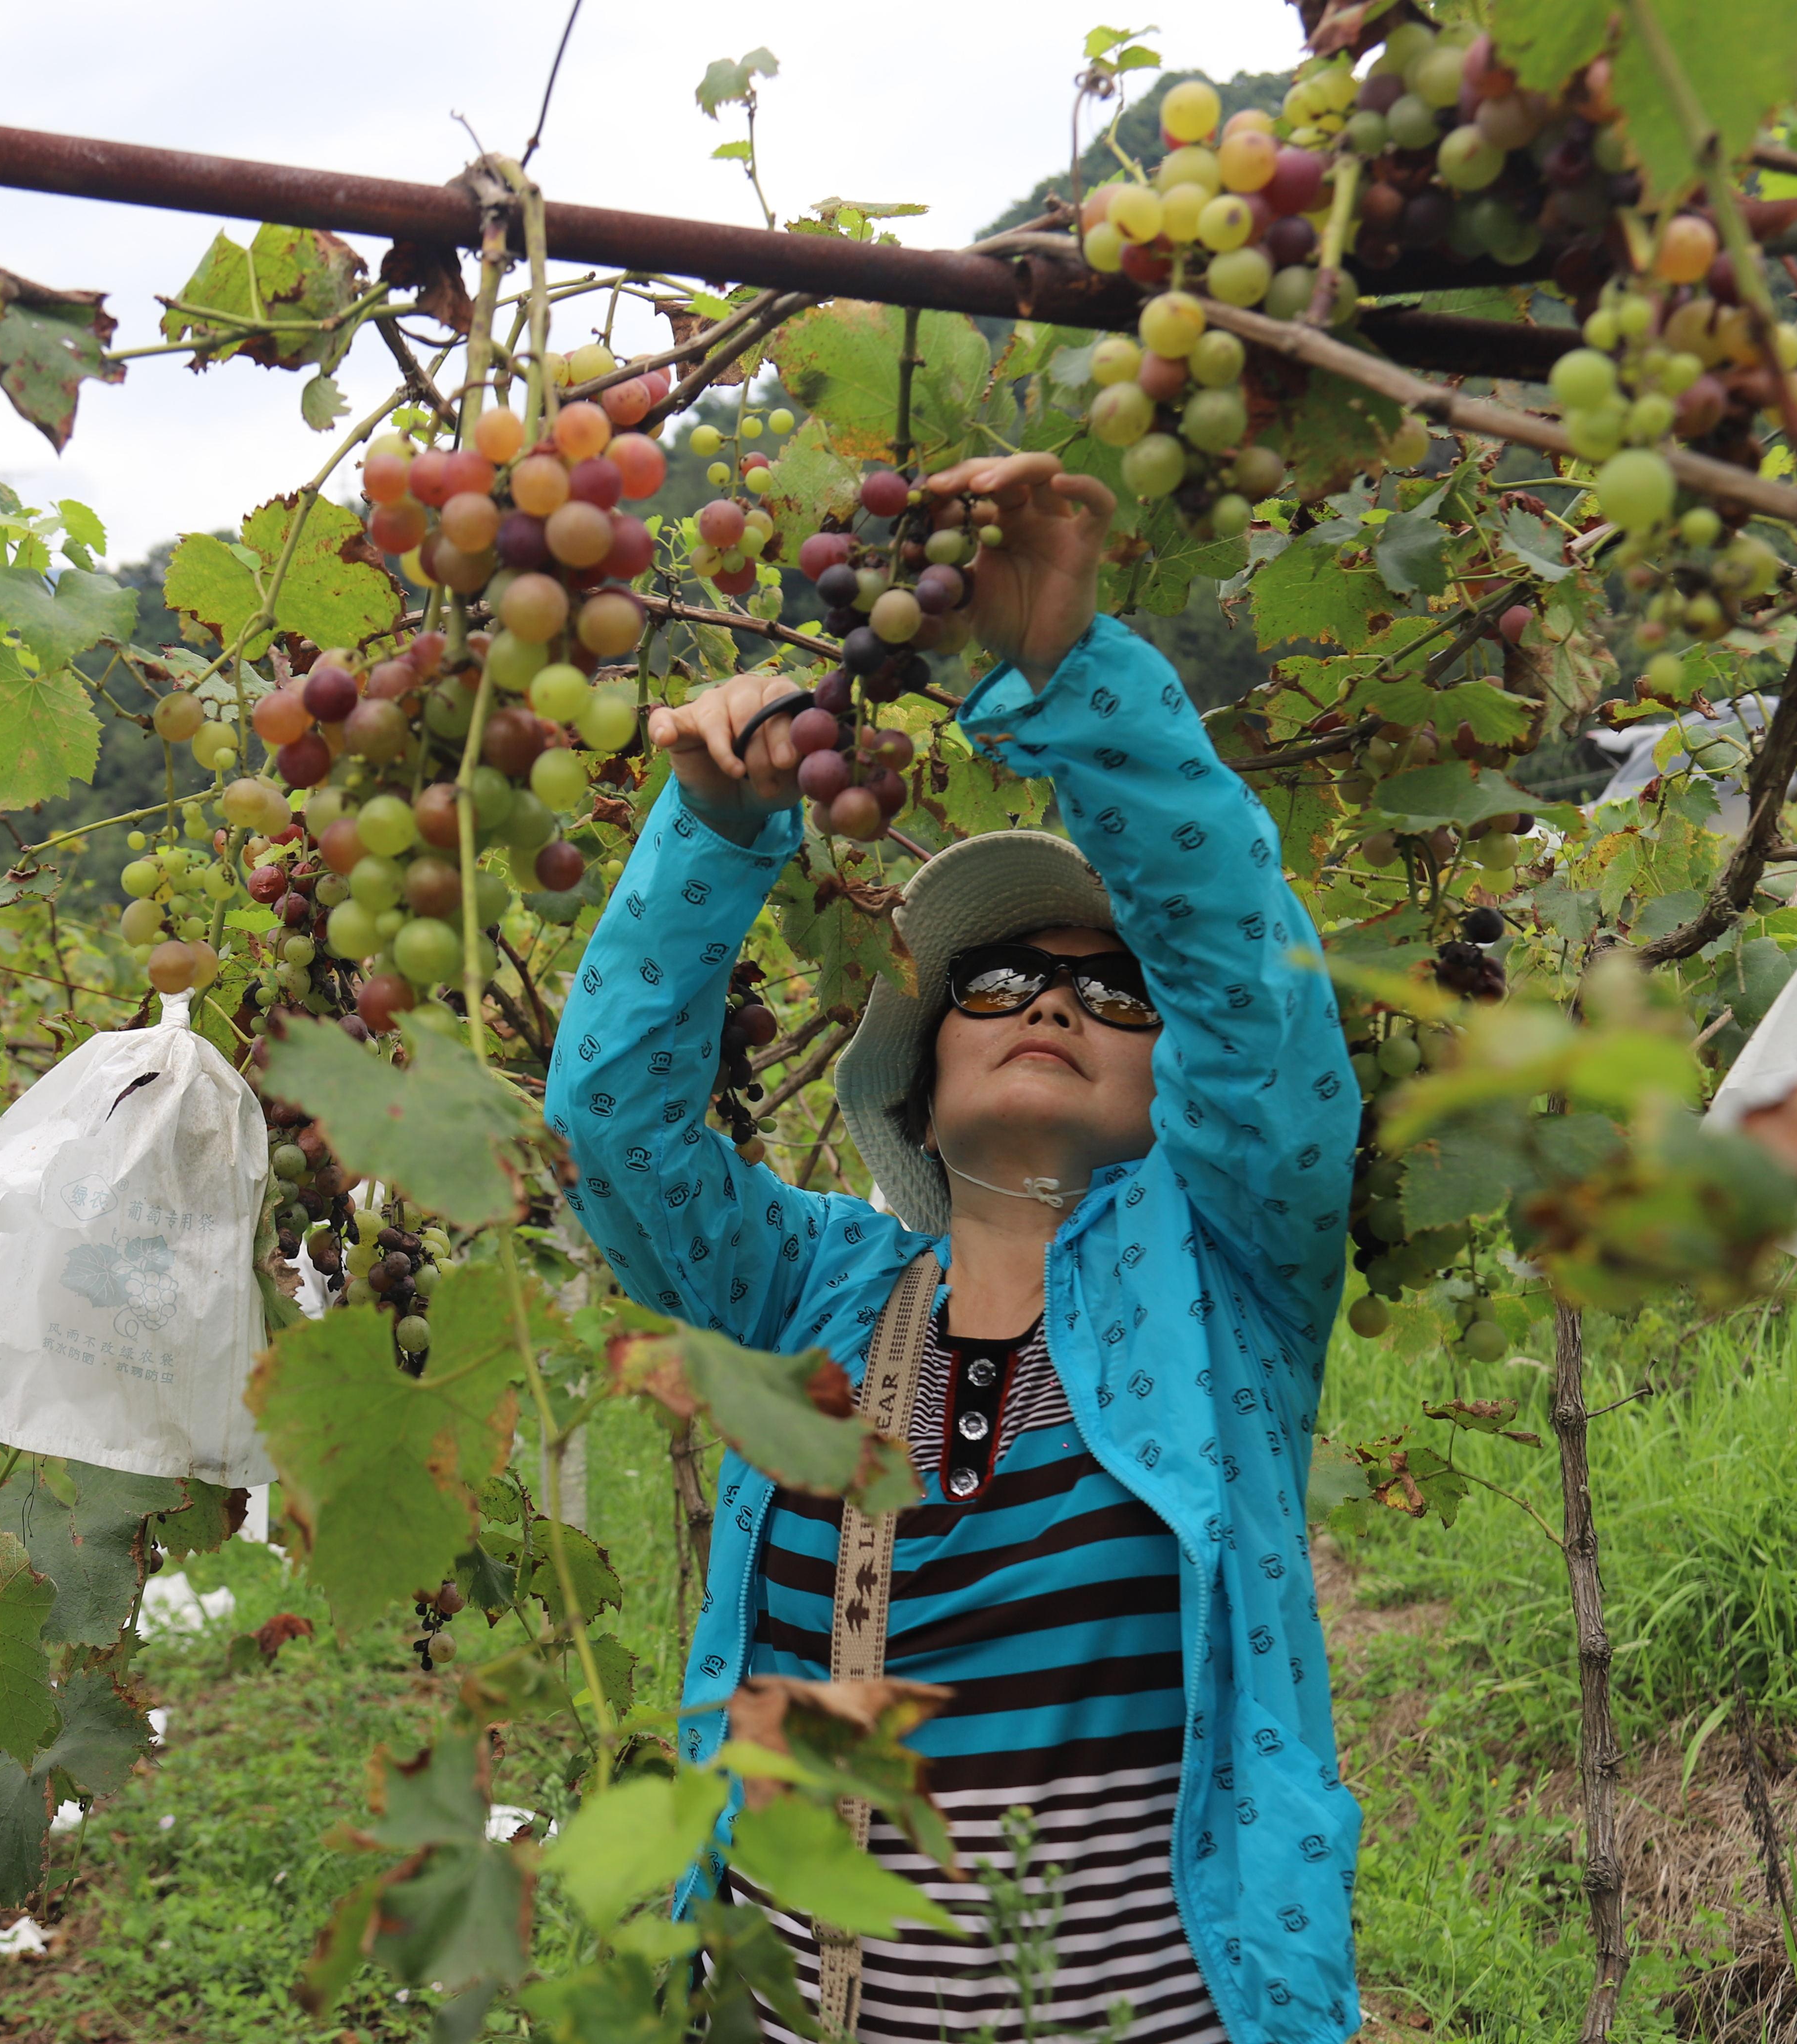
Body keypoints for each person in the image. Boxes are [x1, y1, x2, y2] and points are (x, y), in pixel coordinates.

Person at [543, 452, 1362, 2043]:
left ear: (1167, 1085)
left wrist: (1071, 675)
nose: (1059, 1002)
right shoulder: (808, 1302)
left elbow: (1255, 1001)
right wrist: (713, 840)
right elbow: (613, 1136)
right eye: (996, 982)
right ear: (915, 1071)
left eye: (1119, 995)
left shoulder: (1221, 1283)